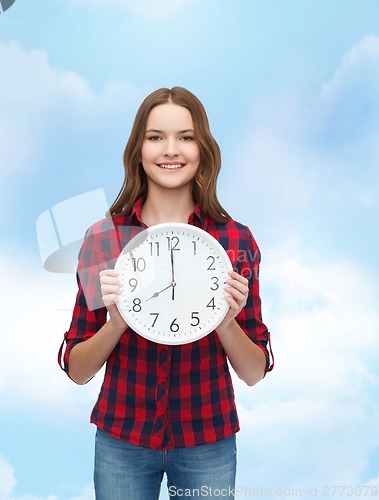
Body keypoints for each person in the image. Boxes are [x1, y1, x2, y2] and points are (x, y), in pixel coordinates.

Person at [58, 87, 273, 499]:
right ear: (138, 148)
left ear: (203, 148)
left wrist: (226, 323)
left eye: (185, 137)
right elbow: (78, 368)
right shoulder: (103, 239)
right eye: (156, 136)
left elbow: (253, 372)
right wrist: (116, 324)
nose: (170, 150)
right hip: (122, 437)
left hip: (207, 437)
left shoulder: (234, 240)